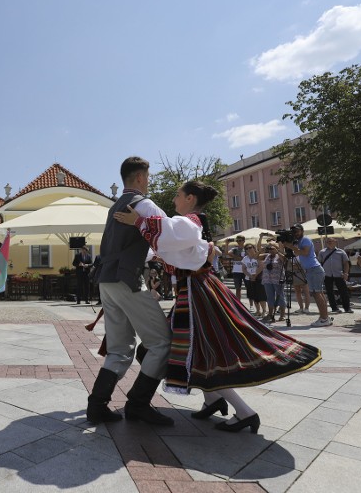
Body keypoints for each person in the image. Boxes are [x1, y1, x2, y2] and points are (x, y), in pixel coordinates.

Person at [116, 180, 321, 433]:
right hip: (196, 290)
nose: (174, 200)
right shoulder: (194, 222)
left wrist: (139, 221)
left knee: (202, 351)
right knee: (196, 350)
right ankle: (212, 399)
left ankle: (245, 412)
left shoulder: (190, 222)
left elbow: (168, 235)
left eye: (178, 195)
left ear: (190, 198)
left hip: (196, 293)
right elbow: (172, 245)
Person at [85, 156, 190, 427]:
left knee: (119, 349)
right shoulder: (145, 204)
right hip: (128, 279)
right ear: (141, 178)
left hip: (106, 280)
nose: (149, 180)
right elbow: (168, 237)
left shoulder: (115, 206)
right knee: (161, 342)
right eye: (149, 176)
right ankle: (139, 404)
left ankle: (97, 406)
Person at [282, 225, 333, 327]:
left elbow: (305, 252)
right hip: (312, 269)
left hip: (314, 269)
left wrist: (290, 246)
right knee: (318, 293)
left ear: (302, 231)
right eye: (293, 232)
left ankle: (324, 318)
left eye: (297, 231)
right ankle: (324, 317)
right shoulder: (300, 241)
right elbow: (297, 254)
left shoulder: (305, 239)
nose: (295, 233)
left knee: (317, 293)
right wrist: (288, 246)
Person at [319, 237, 352, 313]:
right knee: (329, 292)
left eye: (331, 241)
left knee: (343, 291)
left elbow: (346, 263)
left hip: (339, 274)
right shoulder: (322, 252)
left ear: (335, 242)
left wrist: (346, 273)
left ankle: (347, 308)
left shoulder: (341, 252)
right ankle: (334, 308)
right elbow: (319, 263)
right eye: (327, 241)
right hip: (326, 275)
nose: (329, 242)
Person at [260, 243, 286, 323]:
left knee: (280, 297)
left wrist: (277, 252)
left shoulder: (280, 255)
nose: (270, 250)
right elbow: (255, 256)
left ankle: (282, 315)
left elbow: (285, 260)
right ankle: (270, 314)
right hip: (267, 279)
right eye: (269, 249)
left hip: (278, 279)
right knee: (269, 297)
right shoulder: (267, 255)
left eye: (272, 248)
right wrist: (263, 248)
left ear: (276, 248)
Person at [225, 235, 248, 304]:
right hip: (236, 271)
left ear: (244, 241)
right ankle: (238, 302)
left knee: (249, 288)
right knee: (238, 288)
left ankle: (251, 304)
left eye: (240, 240)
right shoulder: (235, 249)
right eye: (237, 240)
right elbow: (227, 253)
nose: (238, 242)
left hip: (246, 271)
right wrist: (227, 244)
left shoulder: (247, 248)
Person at [240, 243, 259, 312]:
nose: (248, 249)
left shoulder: (258, 256)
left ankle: (262, 310)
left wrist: (255, 275)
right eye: (246, 248)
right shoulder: (245, 258)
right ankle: (256, 309)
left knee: (259, 294)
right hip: (249, 278)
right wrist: (250, 276)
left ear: (254, 248)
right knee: (251, 294)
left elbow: (261, 266)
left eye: (250, 247)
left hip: (258, 277)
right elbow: (244, 269)